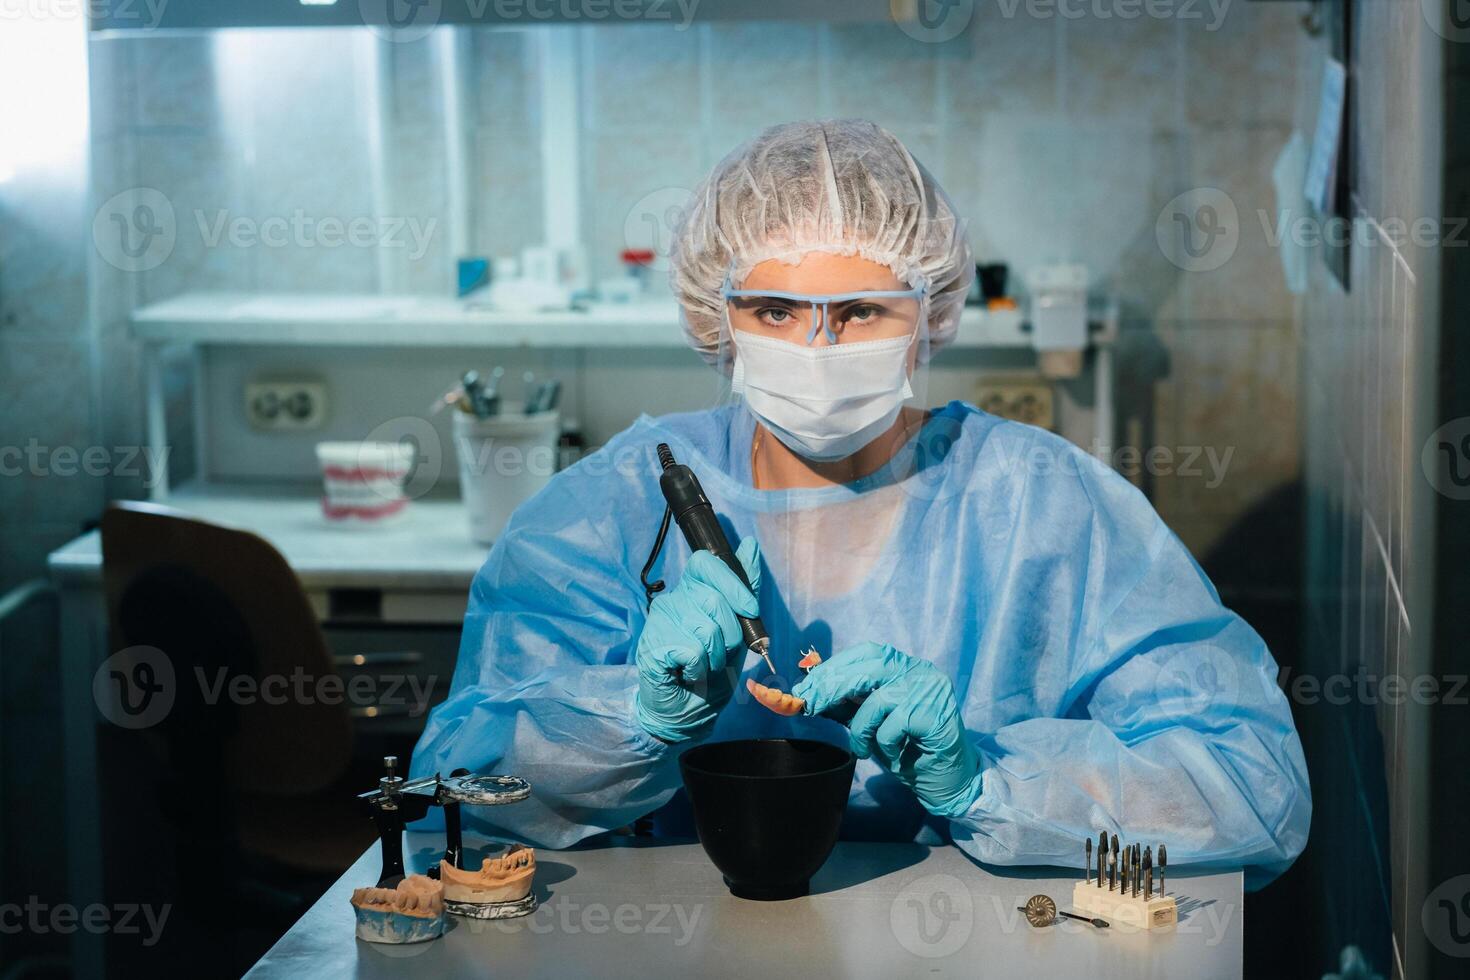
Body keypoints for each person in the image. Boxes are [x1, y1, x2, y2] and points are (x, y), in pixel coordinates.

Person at [411, 119, 1310, 887]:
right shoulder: (608, 510)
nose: (816, 348)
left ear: (930, 313)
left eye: (860, 312)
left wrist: (987, 782)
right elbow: (451, 794)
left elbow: (1252, 785)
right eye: (773, 310)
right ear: (713, 317)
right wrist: (633, 720)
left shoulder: (1045, 508)